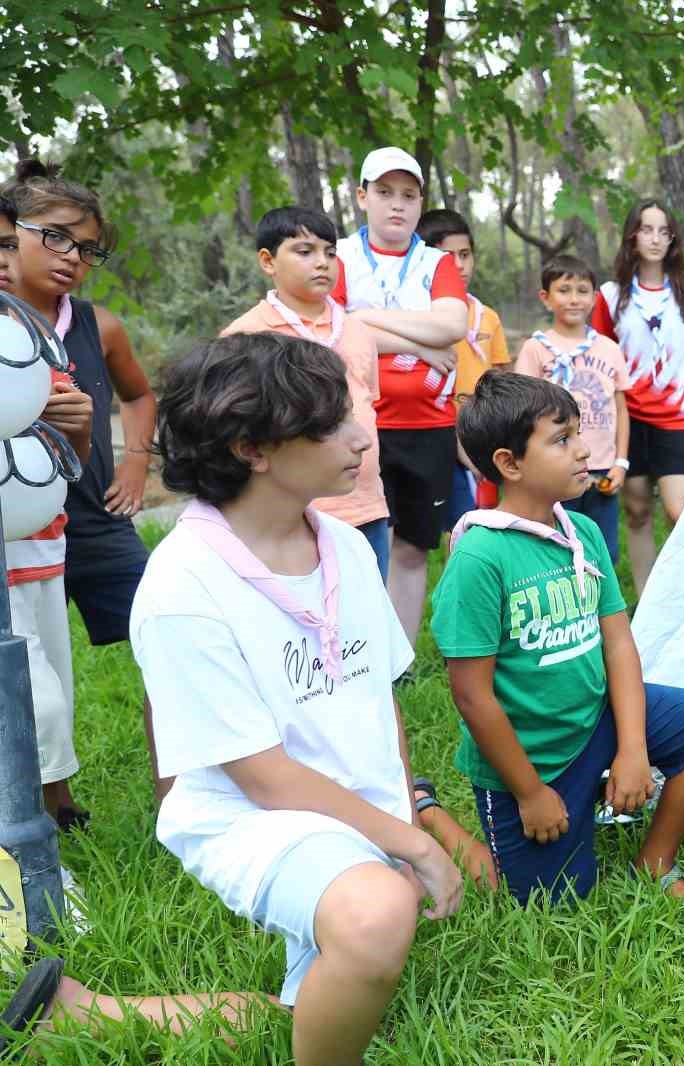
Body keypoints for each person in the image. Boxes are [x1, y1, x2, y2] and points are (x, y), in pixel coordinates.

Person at [0, 332, 468, 1064]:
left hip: (348, 806)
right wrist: (408, 846)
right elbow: (264, 777)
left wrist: (400, 815)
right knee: (377, 915)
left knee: (311, 1007)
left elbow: (381, 705)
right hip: (249, 814)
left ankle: (80, 1014)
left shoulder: (343, 547)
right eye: (331, 422)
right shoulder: (185, 584)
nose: (360, 436)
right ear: (254, 448)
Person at [431, 370, 684, 904]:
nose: (583, 449)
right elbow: (472, 696)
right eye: (561, 439)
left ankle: (655, 859)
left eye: (578, 433)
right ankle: (426, 813)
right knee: (543, 901)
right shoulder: (481, 557)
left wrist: (632, 748)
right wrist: (530, 793)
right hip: (533, 759)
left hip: (595, 715)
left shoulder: (585, 532)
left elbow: (618, 644)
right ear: (509, 464)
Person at [5, 160, 163, 808]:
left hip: (92, 515)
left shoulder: (100, 327)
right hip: (17, 526)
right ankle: (53, 806)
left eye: (88, 248)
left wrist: (134, 463)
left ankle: (182, 791)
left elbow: (139, 393)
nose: (74, 257)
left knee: (165, 627)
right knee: (31, 662)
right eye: (58, 236)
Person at [331, 146, 468, 646]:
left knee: (413, 545)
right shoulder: (342, 255)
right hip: (360, 422)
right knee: (358, 541)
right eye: (385, 193)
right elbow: (337, 327)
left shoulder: (436, 262)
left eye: (409, 195)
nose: (397, 205)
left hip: (428, 424)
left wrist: (368, 321)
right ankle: (355, 647)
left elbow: (453, 323)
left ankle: (399, 657)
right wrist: (421, 343)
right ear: (362, 196)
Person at [221, 206, 391, 578]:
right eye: (305, 251)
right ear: (268, 261)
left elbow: (366, 408)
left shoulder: (358, 331)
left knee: (364, 619)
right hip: (288, 513)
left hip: (365, 508)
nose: (323, 263)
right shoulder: (246, 337)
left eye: (330, 252)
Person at [0, 192, 94, 829]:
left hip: (40, 542)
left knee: (51, 670)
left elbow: (68, 461)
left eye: (10, 245)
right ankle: (24, 813)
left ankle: (53, 802)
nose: (5, 260)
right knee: (33, 692)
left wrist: (78, 425)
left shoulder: (28, 341)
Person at [592, 199, 684, 592]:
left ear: (673, 239)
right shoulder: (611, 295)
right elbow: (601, 353)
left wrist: (674, 383)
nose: (656, 238)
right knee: (638, 509)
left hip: (677, 417)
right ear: (632, 235)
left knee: (680, 512)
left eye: (664, 231)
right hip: (629, 417)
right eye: (647, 229)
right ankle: (648, 601)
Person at [513, 255, 628, 563]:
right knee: (555, 547)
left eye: (582, 290)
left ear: (595, 297)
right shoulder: (535, 349)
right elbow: (523, 411)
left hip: (601, 467)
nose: (574, 299)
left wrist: (621, 462)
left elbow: (620, 408)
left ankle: (600, 608)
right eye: (564, 290)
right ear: (546, 298)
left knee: (602, 550)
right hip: (554, 466)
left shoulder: (609, 349)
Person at [416, 207, 511, 530]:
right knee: (451, 525)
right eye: (446, 256)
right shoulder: (419, 317)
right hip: (439, 431)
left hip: (483, 432)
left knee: (488, 521)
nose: (458, 264)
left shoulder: (489, 316)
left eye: (465, 254)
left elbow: (501, 378)